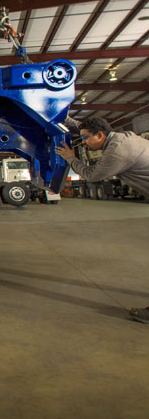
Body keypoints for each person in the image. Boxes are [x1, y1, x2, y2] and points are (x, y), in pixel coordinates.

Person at [55, 116, 149, 324]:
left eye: (87, 138)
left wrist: (71, 158)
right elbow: (80, 126)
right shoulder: (121, 138)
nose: (85, 142)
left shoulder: (117, 152)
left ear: (100, 135)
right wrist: (65, 116)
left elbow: (91, 175)